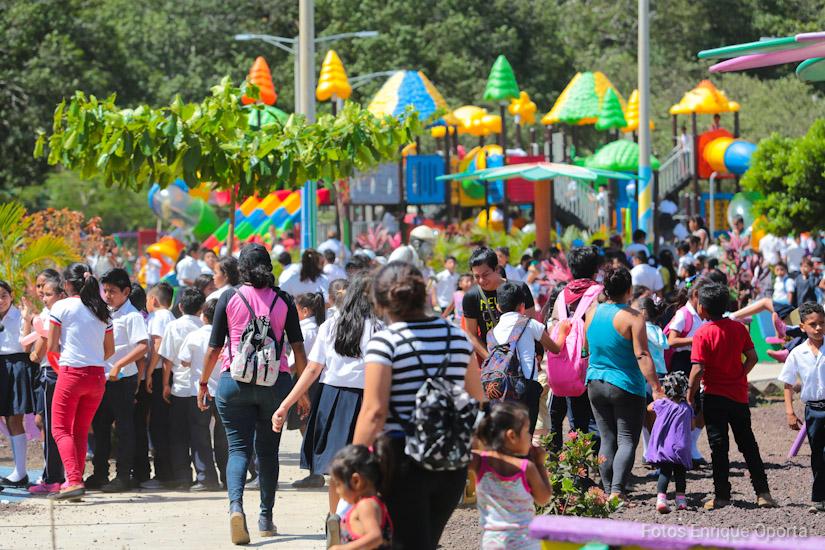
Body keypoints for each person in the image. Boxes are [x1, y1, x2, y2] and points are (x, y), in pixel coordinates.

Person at [353, 262, 483, 550]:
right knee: (425, 540)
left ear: (379, 300)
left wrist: (354, 461)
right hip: (450, 461)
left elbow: (374, 412)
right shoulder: (457, 338)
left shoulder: (385, 343)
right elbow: (477, 401)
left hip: (401, 461)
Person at [199, 243, 307, 545]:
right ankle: (266, 518)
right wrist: (302, 392)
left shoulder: (229, 297)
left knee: (238, 450)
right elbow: (298, 349)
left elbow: (214, 348)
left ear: (241, 269)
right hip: (275, 385)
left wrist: (203, 383)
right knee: (268, 453)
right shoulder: (285, 300)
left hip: (234, 384)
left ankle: (236, 508)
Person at [272, 275, 377, 512]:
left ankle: (335, 520)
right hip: (368, 399)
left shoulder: (329, 326)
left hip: (333, 399)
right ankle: (362, 520)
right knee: (367, 466)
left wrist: (285, 405)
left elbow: (312, 369)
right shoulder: (377, 327)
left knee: (338, 468)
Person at [688, 282, 777, 510]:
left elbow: (698, 369)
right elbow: (753, 357)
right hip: (738, 396)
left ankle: (722, 496)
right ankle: (763, 493)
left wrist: (690, 393)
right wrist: (740, 375)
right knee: (748, 444)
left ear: (702, 308)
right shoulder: (738, 328)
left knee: (719, 447)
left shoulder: (702, 334)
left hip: (713, 396)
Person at [584, 266, 664, 503]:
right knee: (627, 439)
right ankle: (617, 491)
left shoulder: (591, 313)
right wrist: (657, 388)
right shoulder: (634, 317)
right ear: (629, 290)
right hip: (626, 385)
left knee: (607, 438)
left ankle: (607, 490)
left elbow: (587, 348)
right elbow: (642, 355)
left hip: (595, 382)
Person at [47, 263, 114, 500]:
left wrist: (66, 364)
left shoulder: (61, 306)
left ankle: (73, 481)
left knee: (60, 429)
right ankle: (74, 480)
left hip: (71, 373)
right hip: (97, 376)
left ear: (67, 284)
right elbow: (110, 350)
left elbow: (52, 346)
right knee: (80, 430)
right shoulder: (102, 309)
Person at [86, 268, 149, 493]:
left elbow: (143, 346)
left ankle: (123, 476)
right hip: (102, 378)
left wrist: (119, 365)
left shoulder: (133, 316)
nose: (108, 295)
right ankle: (100, 473)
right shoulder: (106, 312)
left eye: (112, 291)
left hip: (122, 381)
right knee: (100, 426)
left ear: (126, 292)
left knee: (124, 428)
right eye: (105, 291)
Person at [160, 287, 219, 490]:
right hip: (203, 388)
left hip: (180, 387)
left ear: (180, 307)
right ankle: (206, 474)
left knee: (179, 435)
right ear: (202, 309)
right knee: (201, 434)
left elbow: (168, 359)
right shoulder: (208, 326)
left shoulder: (174, 326)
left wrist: (165, 384)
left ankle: (183, 477)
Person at [470, 402, 551, 550]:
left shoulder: (479, 462)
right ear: (512, 436)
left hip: (492, 543)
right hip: (524, 543)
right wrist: (539, 464)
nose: (529, 436)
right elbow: (543, 498)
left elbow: (464, 450)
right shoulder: (526, 468)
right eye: (526, 431)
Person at [490, 282, 569, 432]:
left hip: (500, 390)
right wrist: (563, 332)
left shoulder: (493, 332)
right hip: (525, 389)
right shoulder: (530, 324)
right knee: (525, 435)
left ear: (498, 307)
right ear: (522, 306)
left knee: (506, 435)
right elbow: (555, 348)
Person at [545, 246, 602, 452]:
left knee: (577, 419)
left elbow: (553, 326)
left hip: (568, 363)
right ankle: (599, 462)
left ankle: (578, 463)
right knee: (597, 420)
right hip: (595, 363)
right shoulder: (599, 293)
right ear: (595, 269)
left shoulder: (562, 295)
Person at [779, 302, 825, 513]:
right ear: (802, 326)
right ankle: (819, 498)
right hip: (813, 411)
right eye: (813, 324)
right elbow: (787, 384)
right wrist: (790, 412)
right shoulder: (797, 353)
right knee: (817, 454)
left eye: (822, 323)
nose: (818, 328)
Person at [179, 298, 228, 488]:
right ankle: (228, 477)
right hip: (224, 392)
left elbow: (184, 360)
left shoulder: (194, 335)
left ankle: (206, 478)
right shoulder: (229, 337)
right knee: (224, 437)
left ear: (203, 316)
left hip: (200, 392)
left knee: (200, 435)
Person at [26, 272, 67, 494]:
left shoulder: (53, 314)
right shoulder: (56, 312)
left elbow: (38, 351)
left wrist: (34, 353)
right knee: (48, 423)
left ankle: (53, 477)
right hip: (58, 371)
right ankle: (61, 475)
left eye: (47, 291)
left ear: (61, 293)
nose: (42, 294)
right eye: (40, 287)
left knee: (52, 426)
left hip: (51, 372)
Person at [463, 248, 535, 360]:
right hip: (491, 361)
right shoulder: (471, 297)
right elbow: (471, 334)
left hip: (522, 357)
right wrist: (492, 360)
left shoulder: (520, 289)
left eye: (485, 275)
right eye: (476, 276)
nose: (481, 280)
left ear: (496, 269)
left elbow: (530, 324)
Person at [285, 292, 326, 488]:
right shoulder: (320, 327)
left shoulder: (305, 330)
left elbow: (297, 361)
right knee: (312, 425)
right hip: (320, 380)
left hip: (306, 381)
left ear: (305, 310)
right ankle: (316, 469)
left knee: (306, 426)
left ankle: (315, 471)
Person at [0, 280, 36, 488]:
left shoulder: (20, 315)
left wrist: (27, 319)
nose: (0, 300)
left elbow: (26, 346)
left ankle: (20, 472)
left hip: (16, 366)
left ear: (11, 296)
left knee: (14, 418)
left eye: (3, 296)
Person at [141, 282, 176, 489]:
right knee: (162, 424)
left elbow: (157, 344)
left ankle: (164, 474)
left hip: (159, 372)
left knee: (158, 424)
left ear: (153, 299)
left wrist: (148, 372)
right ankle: (167, 473)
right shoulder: (168, 316)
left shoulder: (158, 316)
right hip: (165, 373)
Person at [328, 444, 394, 550]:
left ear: (356, 481)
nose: (337, 491)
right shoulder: (367, 503)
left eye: (338, 484)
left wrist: (343, 548)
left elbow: (375, 537)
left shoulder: (366, 505)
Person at [644, 371, 693, 514]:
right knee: (680, 474)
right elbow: (692, 426)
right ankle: (681, 501)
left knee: (665, 473)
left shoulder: (662, 404)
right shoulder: (686, 408)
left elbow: (648, 408)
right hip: (681, 448)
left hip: (666, 448)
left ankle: (661, 500)